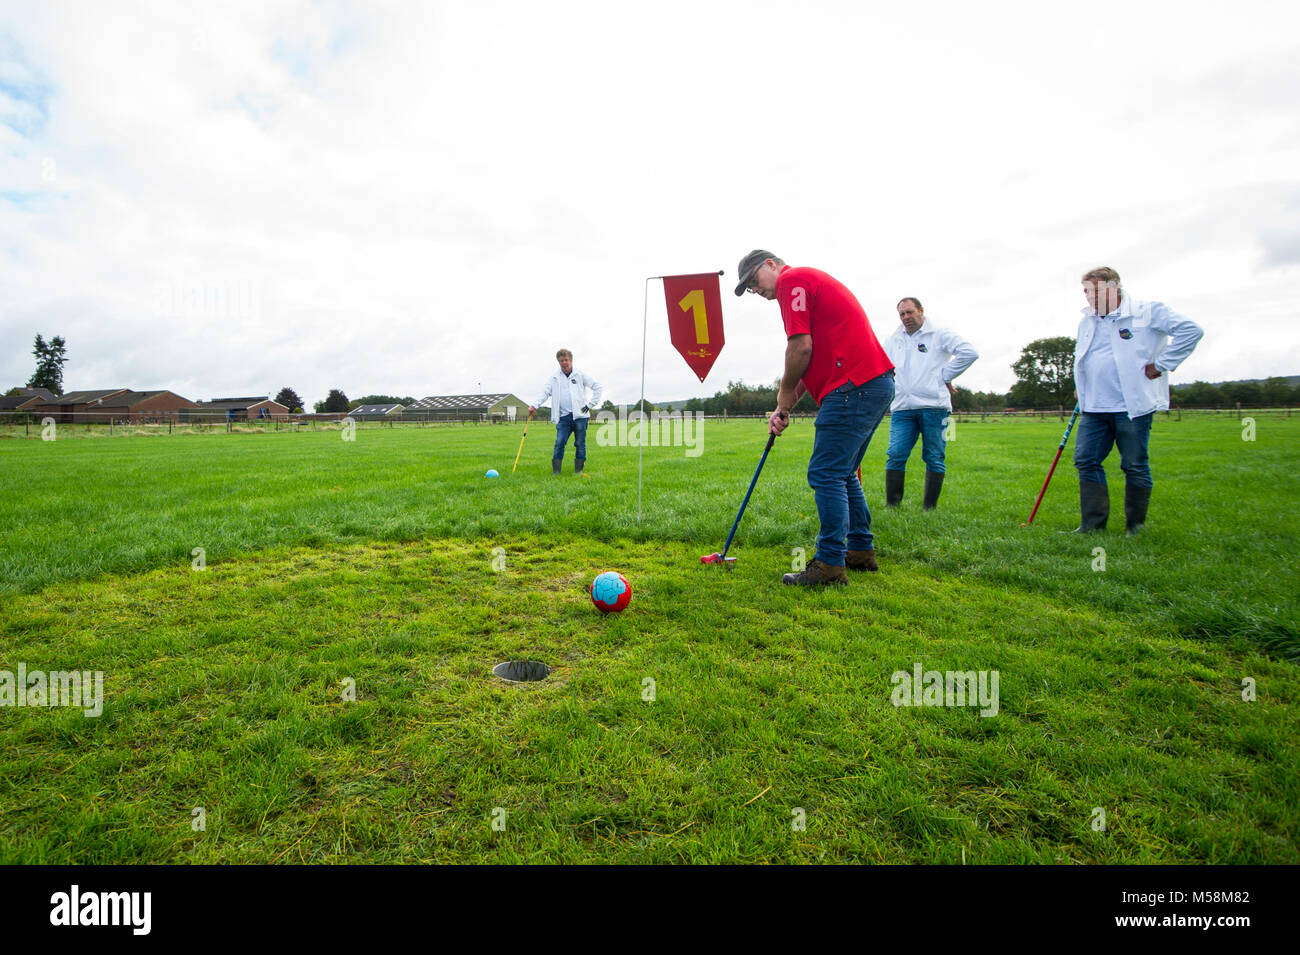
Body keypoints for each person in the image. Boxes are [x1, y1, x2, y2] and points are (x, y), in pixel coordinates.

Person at [735, 249, 895, 586]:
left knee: (825, 473)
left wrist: (782, 392)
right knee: (842, 472)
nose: (755, 289)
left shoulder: (792, 280)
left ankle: (829, 566)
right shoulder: (804, 285)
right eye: (748, 287)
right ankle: (860, 551)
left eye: (753, 279)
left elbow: (800, 348)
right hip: (871, 384)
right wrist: (785, 408)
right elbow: (810, 364)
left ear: (770, 265)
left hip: (854, 386)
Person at [1072, 267, 1203, 534]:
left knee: (1133, 464)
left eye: (1095, 290)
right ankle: (1092, 526)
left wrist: (1162, 364)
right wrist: (1081, 385)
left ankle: (1135, 527)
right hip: (1094, 407)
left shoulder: (1148, 311)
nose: (1089, 297)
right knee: (1086, 460)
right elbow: (1087, 357)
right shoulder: (1086, 321)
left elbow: (1192, 331)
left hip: (1131, 407)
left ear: (1114, 287)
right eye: (1086, 291)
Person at [882, 297, 979, 510]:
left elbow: (969, 353)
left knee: (934, 456)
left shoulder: (940, 334)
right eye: (902, 314)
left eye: (910, 312)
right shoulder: (893, 340)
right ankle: (892, 506)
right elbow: (882, 365)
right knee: (895, 454)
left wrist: (945, 375)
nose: (906, 317)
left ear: (921, 311)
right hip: (902, 408)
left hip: (935, 408)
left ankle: (929, 508)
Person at [529, 349, 603, 475]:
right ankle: (556, 472)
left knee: (580, 443)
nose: (564, 363)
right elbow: (545, 393)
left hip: (580, 417)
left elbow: (598, 387)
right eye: (561, 361)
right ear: (559, 362)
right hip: (563, 418)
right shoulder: (554, 378)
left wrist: (590, 404)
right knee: (559, 442)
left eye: (566, 360)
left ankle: (578, 471)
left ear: (571, 360)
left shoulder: (580, 375)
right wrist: (534, 405)